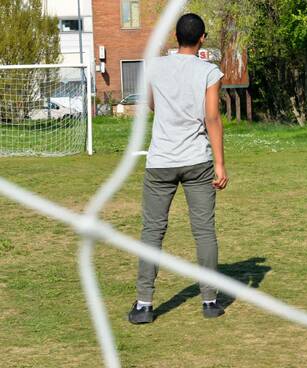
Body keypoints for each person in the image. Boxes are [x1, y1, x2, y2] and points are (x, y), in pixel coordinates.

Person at [128, 13, 228, 324]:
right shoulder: (209, 71)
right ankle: (210, 301)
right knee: (203, 231)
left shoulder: (154, 66)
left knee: (152, 232)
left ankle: (144, 304)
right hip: (197, 161)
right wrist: (221, 164)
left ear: (175, 36)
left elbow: (152, 104)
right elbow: (212, 118)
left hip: (160, 162)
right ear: (202, 39)